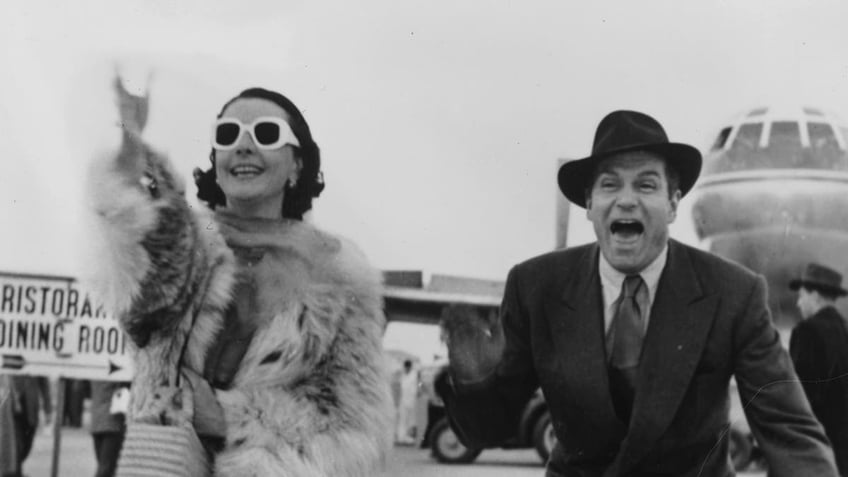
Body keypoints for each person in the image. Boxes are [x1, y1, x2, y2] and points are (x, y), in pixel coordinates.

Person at [436, 110, 838, 476]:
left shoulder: (734, 293)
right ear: (590, 204)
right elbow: (485, 429)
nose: (625, 199)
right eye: (609, 184)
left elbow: (790, 432)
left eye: (646, 184)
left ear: (674, 204)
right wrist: (473, 382)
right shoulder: (535, 286)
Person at [86, 78, 393, 476]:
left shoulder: (338, 272)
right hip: (163, 462)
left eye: (266, 134)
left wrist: (231, 420)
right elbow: (135, 290)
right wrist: (130, 150)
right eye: (228, 134)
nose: (243, 145)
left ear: (297, 164)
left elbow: (357, 431)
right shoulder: (187, 239)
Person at [789, 263, 848, 475]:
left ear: (814, 295)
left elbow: (800, 398)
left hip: (813, 454)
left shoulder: (808, 331)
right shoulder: (845, 329)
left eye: (801, 295)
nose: (798, 303)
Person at [2, 376, 52, 477]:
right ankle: (14, 472)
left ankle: (14, 469)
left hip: (31, 409)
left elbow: (44, 384)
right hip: (11, 408)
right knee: (16, 447)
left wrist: (48, 410)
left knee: (26, 447)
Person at [89, 380, 130, 477]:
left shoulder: (95, 372)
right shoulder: (119, 373)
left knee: (104, 467)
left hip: (97, 422)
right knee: (106, 469)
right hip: (113, 423)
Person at [396, 359, 419, 444]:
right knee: (402, 420)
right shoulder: (402, 376)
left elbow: (420, 385)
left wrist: (419, 390)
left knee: (412, 420)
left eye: (408, 368)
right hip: (403, 401)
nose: (406, 369)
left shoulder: (415, 375)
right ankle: (401, 437)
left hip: (413, 401)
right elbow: (399, 388)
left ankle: (410, 437)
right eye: (405, 368)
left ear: (410, 367)